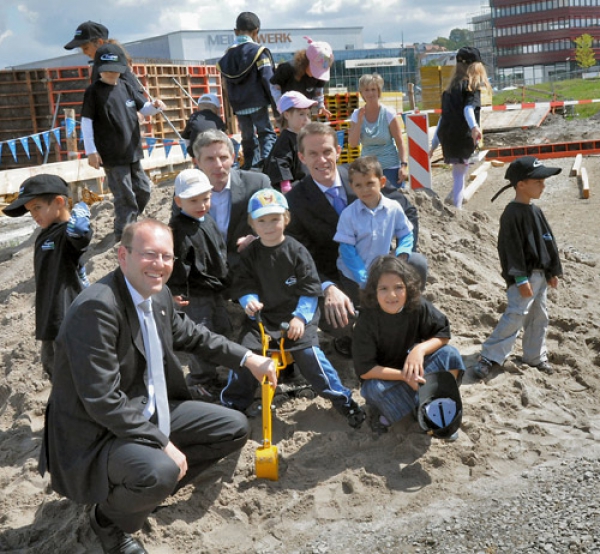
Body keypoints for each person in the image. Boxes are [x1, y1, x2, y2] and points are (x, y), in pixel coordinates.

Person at [39, 219, 277, 554]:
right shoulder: (98, 308)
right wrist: (162, 442)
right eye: (150, 255)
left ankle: (141, 493)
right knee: (160, 468)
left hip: (144, 407)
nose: (161, 265)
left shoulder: (159, 294)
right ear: (123, 256)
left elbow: (194, 335)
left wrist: (248, 358)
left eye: (167, 257)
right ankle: (108, 521)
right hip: (96, 431)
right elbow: (102, 400)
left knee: (233, 427)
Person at [221, 189, 365, 428]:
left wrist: (300, 318)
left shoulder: (297, 251)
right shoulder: (250, 254)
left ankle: (342, 399)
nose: (269, 226)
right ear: (252, 224)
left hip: (297, 314)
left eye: (275, 219)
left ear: (286, 219)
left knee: (310, 357)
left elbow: (310, 288)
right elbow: (244, 284)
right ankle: (232, 404)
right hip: (262, 317)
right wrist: (249, 301)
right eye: (262, 220)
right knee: (245, 355)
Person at [285, 122, 424, 355]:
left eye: (327, 151)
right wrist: (327, 288)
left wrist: (399, 257)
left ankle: (402, 323)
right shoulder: (295, 201)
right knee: (342, 320)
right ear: (302, 157)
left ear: (338, 151)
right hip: (340, 280)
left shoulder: (362, 176)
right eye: (313, 154)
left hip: (381, 265)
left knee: (417, 263)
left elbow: (406, 211)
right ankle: (351, 338)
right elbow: (300, 256)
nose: (322, 160)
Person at [352, 256, 465, 436]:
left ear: (408, 288)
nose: (392, 295)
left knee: (450, 355)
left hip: (418, 369)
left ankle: (436, 403)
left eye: (398, 287)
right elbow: (365, 369)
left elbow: (443, 333)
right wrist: (404, 377)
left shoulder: (417, 306)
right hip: (389, 378)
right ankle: (418, 404)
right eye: (384, 289)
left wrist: (419, 350)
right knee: (373, 390)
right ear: (374, 291)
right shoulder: (366, 321)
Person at [473, 156, 562, 379]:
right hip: (523, 277)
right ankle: (489, 356)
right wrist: (520, 279)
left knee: (539, 317)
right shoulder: (511, 214)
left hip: (540, 276)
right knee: (516, 315)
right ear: (521, 184)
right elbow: (510, 249)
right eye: (538, 181)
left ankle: (534, 356)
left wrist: (552, 271)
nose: (543, 185)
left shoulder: (536, 212)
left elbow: (548, 241)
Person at [3, 175, 92, 380]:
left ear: (59, 202)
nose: (33, 214)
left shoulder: (67, 235)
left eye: (37, 207)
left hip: (70, 321)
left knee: (75, 377)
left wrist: (80, 209)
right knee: (54, 373)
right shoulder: (45, 234)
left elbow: (79, 232)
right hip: (49, 322)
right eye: (30, 209)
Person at [81, 43, 166, 242]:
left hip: (132, 151)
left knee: (143, 189)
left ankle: (131, 222)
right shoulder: (93, 92)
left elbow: (144, 108)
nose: (112, 73)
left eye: (116, 69)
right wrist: (91, 151)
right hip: (111, 155)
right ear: (99, 69)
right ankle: (124, 232)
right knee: (124, 196)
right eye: (107, 69)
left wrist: (155, 107)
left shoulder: (127, 86)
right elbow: (86, 123)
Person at [168, 168, 231, 401]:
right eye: (193, 200)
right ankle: (201, 380)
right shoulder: (178, 229)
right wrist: (175, 293)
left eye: (205, 198)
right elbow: (176, 264)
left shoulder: (208, 221)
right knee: (199, 335)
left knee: (220, 328)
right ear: (178, 201)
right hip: (193, 294)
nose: (201, 204)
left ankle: (215, 374)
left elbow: (220, 251)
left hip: (214, 288)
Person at [333, 156, 414, 307]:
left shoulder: (393, 208)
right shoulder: (349, 215)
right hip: (353, 275)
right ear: (351, 186)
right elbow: (347, 250)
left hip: (381, 272)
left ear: (382, 182)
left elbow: (405, 233)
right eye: (359, 185)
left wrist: (402, 252)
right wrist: (364, 279)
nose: (365, 190)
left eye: (370, 183)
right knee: (363, 308)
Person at [191, 129, 271, 271]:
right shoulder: (187, 192)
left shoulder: (257, 184)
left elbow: (279, 224)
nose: (218, 165)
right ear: (197, 162)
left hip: (249, 267)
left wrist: (258, 240)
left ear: (233, 157)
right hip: (206, 273)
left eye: (223, 157)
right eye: (210, 159)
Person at [429, 46, 491, 209]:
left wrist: (434, 143)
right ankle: (457, 207)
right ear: (476, 67)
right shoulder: (471, 89)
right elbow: (468, 109)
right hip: (462, 136)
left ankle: (454, 197)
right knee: (459, 173)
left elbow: (443, 117)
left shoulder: (448, 90)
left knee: (458, 171)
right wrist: (474, 127)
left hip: (447, 135)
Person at [217, 12, 276, 170]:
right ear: (256, 31)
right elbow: (267, 78)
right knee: (266, 133)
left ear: (236, 31)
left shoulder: (226, 57)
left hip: (239, 105)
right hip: (257, 102)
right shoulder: (259, 52)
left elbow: (225, 85)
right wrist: (277, 107)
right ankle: (267, 164)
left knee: (247, 137)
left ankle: (251, 167)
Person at [347, 73, 409, 188]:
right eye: (366, 90)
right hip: (368, 169)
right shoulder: (357, 114)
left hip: (390, 167)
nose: (370, 93)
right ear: (362, 93)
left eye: (373, 89)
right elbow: (353, 143)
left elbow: (400, 142)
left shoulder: (388, 113)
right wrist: (359, 121)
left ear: (379, 91)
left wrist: (403, 166)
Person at [64, 20, 141, 91]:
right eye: (81, 49)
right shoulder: (99, 64)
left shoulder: (111, 65)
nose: (84, 52)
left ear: (99, 42)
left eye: (86, 48)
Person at [262, 91, 316, 192]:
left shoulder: (303, 137)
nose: (306, 119)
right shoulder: (285, 139)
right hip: (295, 188)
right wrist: (286, 186)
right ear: (287, 115)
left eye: (308, 114)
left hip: (308, 184)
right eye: (301, 114)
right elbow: (280, 163)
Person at [270, 37, 334, 118]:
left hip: (304, 110)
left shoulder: (320, 75)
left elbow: (318, 89)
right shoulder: (287, 68)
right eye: (315, 70)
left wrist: (320, 105)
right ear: (306, 62)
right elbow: (274, 85)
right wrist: (280, 104)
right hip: (285, 111)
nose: (316, 75)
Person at [180, 93, 226, 157]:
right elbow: (223, 136)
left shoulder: (194, 117)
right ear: (216, 108)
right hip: (214, 153)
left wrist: (191, 152)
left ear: (199, 107)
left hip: (196, 153)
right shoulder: (217, 120)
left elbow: (185, 137)